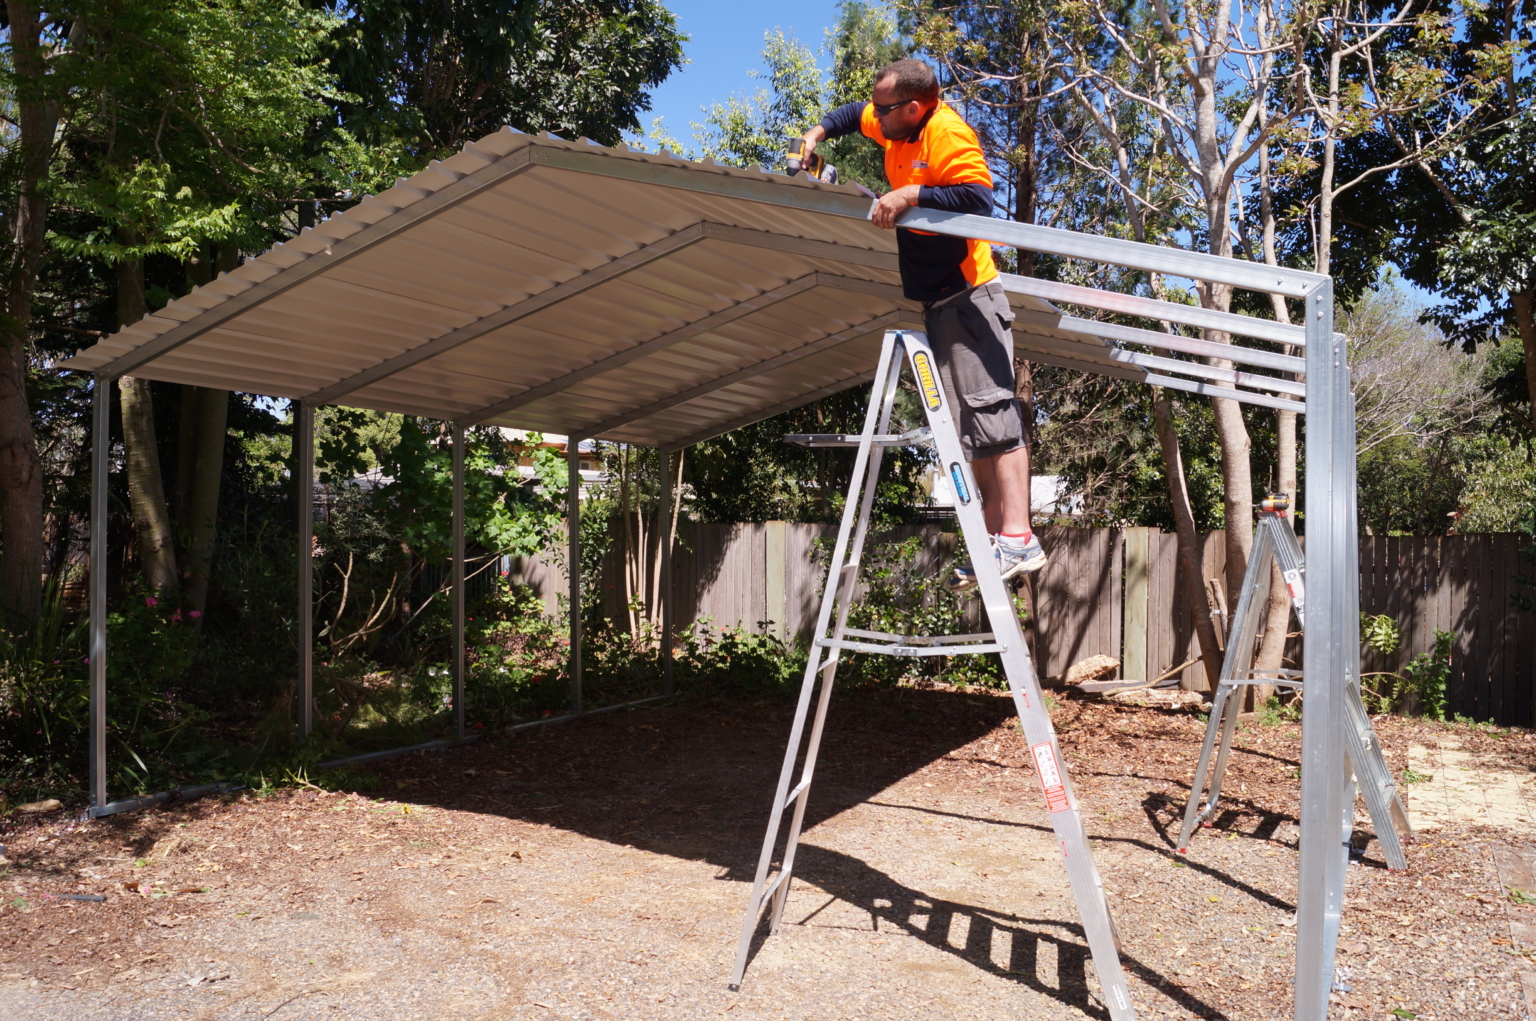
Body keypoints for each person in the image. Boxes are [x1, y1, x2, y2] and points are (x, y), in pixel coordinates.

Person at [797, 58, 1046, 589]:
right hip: (939, 300)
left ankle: (1019, 538)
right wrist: (818, 131)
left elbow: (979, 199)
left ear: (914, 108)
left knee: (995, 412)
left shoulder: (945, 132)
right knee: (973, 426)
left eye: (883, 109)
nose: (874, 116)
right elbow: (851, 115)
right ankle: (991, 542)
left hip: (971, 293)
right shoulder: (894, 122)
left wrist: (910, 194)